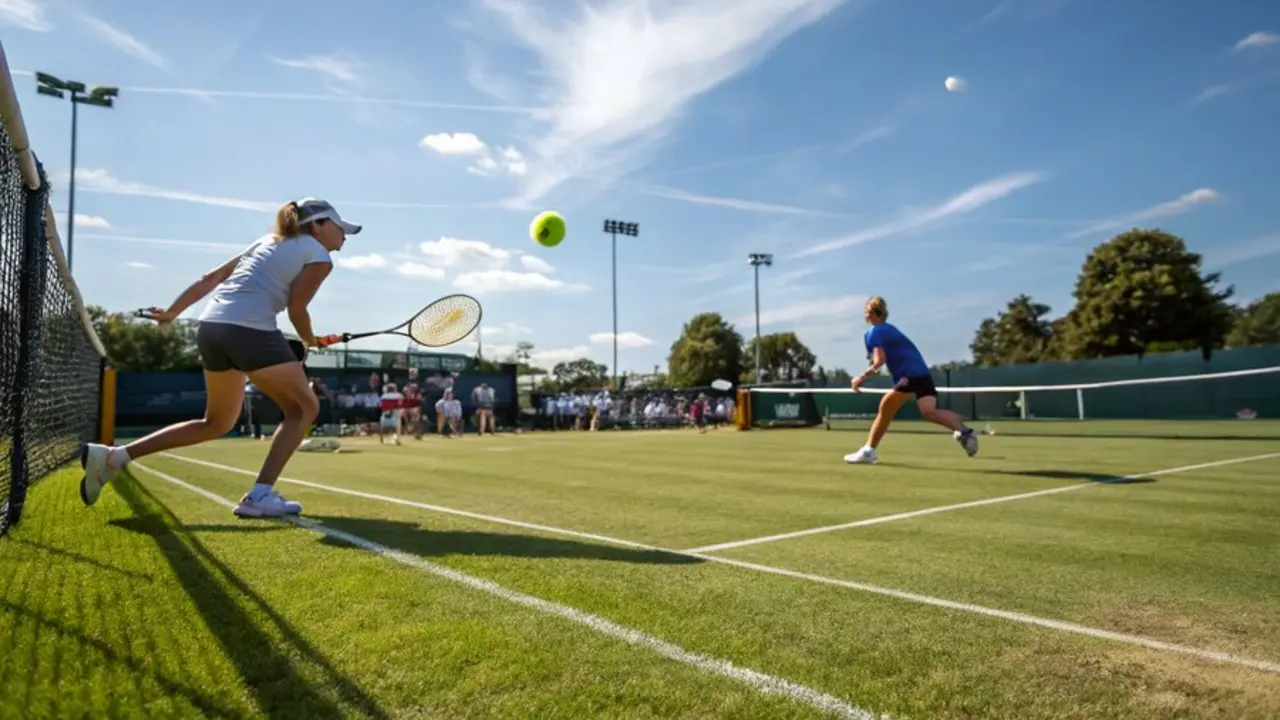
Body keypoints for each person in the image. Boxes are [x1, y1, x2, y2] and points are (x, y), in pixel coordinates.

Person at [78, 198, 361, 516]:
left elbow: (210, 279)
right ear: (318, 226)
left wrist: (173, 312)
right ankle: (259, 496)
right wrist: (312, 340)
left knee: (217, 422)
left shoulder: (267, 241)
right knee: (304, 408)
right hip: (249, 330)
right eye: (340, 228)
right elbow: (297, 308)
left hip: (210, 328)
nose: (345, 236)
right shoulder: (319, 256)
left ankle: (115, 457)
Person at [845, 296, 979, 464]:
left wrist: (861, 377)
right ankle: (965, 431)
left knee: (886, 408)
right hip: (923, 373)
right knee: (928, 411)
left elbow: (879, 360)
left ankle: (868, 451)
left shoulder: (874, 331)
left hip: (909, 375)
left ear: (869, 314)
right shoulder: (890, 329)